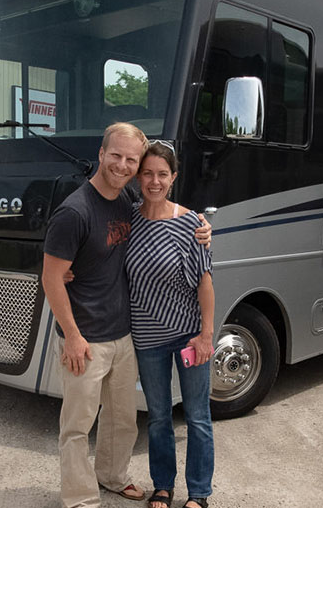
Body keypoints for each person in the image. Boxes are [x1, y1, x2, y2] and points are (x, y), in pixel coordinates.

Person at [42, 123, 210, 508]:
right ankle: (81, 498)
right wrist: (71, 334)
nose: (122, 165)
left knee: (121, 421)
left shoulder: (125, 205)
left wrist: (202, 229)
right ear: (101, 155)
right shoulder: (75, 210)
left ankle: (113, 477)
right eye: (115, 156)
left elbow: (165, 221)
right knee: (77, 426)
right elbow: (51, 277)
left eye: (130, 160)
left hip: (124, 336)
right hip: (84, 339)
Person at [125, 141, 215, 508]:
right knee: (159, 417)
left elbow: (205, 282)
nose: (154, 181)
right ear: (138, 177)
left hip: (189, 335)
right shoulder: (127, 220)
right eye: (147, 173)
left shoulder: (191, 224)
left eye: (162, 174)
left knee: (196, 416)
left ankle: (199, 492)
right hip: (147, 338)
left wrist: (207, 334)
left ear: (173, 178)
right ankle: (162, 485)